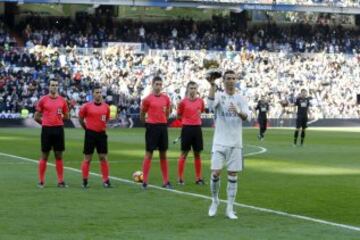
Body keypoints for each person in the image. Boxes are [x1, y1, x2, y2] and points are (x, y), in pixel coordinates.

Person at [207, 70, 251, 220]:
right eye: (228, 78)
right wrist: (212, 85)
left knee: (233, 175)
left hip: (235, 143)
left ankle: (230, 208)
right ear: (224, 81)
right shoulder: (219, 96)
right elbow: (210, 105)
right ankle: (214, 200)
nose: (231, 81)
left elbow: (247, 117)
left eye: (233, 78)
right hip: (219, 142)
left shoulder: (241, 99)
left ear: (236, 80)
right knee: (215, 173)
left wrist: (238, 112)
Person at [34, 79, 69, 188]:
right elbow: (36, 116)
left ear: (58, 87)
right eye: (52, 85)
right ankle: (41, 181)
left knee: (59, 155)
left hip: (58, 129)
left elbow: (67, 116)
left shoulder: (62, 100)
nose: (54, 87)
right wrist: (45, 123)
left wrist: (59, 120)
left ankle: (60, 181)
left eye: (56, 85)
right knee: (45, 155)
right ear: (49, 87)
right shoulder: (43, 100)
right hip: (47, 130)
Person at [140, 76, 172, 189]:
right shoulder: (147, 99)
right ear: (152, 85)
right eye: (156, 84)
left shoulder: (166, 98)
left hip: (162, 127)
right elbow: (142, 114)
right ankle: (144, 182)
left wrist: (164, 121)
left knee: (163, 154)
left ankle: (166, 181)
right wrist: (147, 125)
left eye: (160, 84)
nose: (158, 86)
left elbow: (168, 111)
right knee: (149, 153)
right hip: (152, 127)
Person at [79, 85, 111, 188]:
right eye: (97, 92)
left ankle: (106, 181)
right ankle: (85, 181)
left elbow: (106, 120)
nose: (99, 94)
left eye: (100, 92)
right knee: (87, 158)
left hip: (101, 134)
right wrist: (87, 129)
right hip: (90, 134)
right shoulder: (86, 106)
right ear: (93, 94)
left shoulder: (106, 107)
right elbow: (81, 119)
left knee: (103, 158)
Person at [176, 81, 205, 185]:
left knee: (197, 154)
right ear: (187, 89)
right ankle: (180, 178)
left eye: (194, 88)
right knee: (184, 153)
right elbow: (178, 116)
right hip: (187, 129)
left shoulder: (201, 101)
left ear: (197, 89)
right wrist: (186, 122)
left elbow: (201, 111)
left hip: (197, 128)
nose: (193, 90)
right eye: (191, 88)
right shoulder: (182, 102)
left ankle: (198, 178)